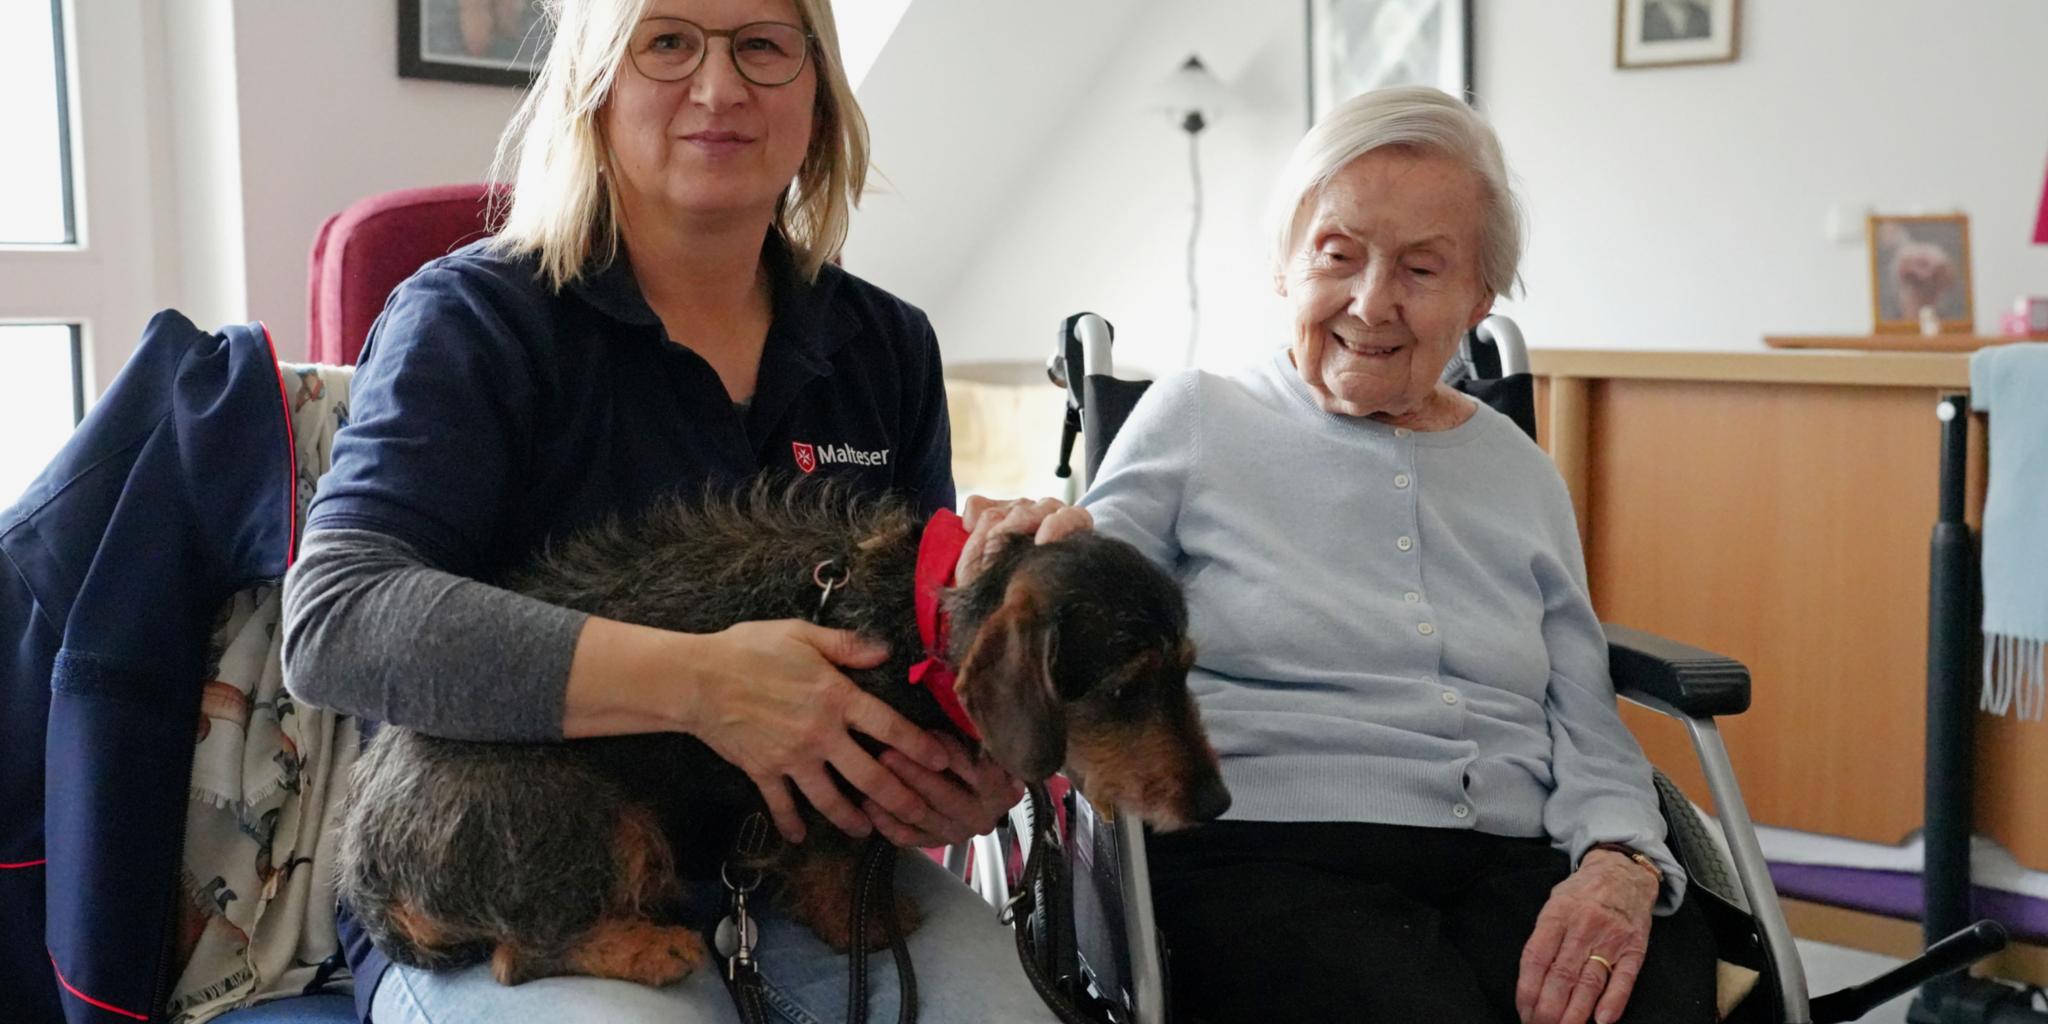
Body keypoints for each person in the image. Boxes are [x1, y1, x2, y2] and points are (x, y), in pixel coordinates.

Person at [281, 1, 1082, 1021]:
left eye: (762, 44)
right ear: (593, 91)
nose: (719, 87)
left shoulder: (885, 344)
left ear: (819, 99)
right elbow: (339, 623)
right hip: (513, 889)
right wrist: (704, 684)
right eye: (665, 43)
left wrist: (976, 759)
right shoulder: (474, 320)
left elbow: (914, 655)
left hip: (797, 872)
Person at [1081, 86, 1717, 1024]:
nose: (1371, 304)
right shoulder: (1198, 419)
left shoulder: (1521, 471)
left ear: (1478, 298)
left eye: (1422, 270)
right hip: (1261, 850)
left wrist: (1618, 860)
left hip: (1514, 853)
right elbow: (1075, 606)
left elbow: (1584, 717)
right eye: (1338, 257)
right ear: (1286, 267)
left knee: (1649, 992)